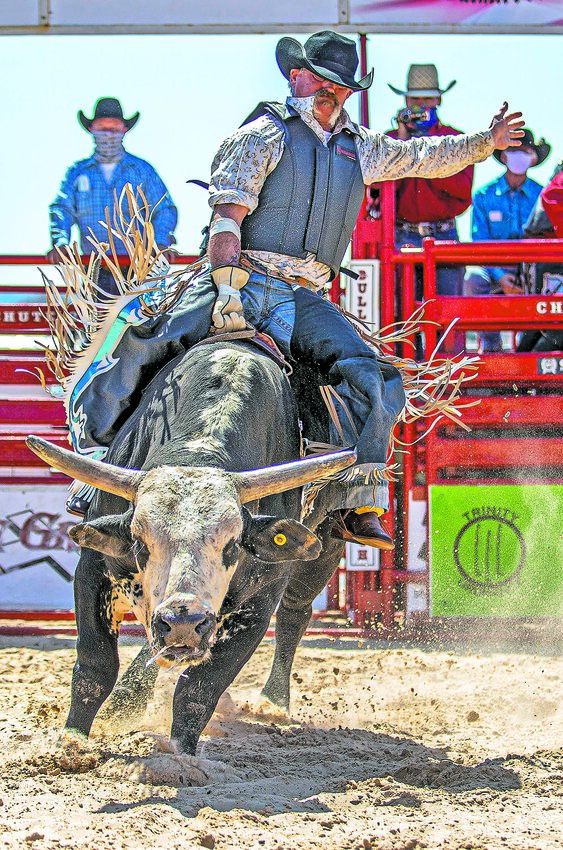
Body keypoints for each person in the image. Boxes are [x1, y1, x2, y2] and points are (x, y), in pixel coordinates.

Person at [64, 32, 524, 547]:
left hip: (304, 295)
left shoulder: (360, 147)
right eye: (324, 85)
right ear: (296, 76)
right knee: (143, 341)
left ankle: (356, 498)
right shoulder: (263, 134)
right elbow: (226, 220)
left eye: (341, 89)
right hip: (242, 275)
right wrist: (227, 288)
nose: (332, 97)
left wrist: (485, 143)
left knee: (373, 376)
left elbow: (422, 155)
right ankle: (93, 471)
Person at [47, 97, 177, 293]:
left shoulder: (142, 171)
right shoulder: (78, 172)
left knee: (138, 321)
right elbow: (62, 209)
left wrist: (159, 242)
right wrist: (61, 242)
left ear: (124, 130)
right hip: (93, 270)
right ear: (92, 130)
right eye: (102, 128)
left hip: (138, 271)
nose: (108, 134)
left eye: (114, 129)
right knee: (96, 322)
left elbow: (164, 209)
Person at [386, 64, 473, 316]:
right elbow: (382, 190)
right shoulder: (390, 141)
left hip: (443, 234)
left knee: (446, 315)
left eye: (426, 98)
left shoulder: (456, 140)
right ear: (405, 101)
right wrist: (402, 141)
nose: (421, 105)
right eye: (415, 99)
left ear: (438, 99)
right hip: (402, 235)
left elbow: (462, 193)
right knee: (401, 318)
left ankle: (449, 358)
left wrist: (426, 151)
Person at [464, 128, 551, 353]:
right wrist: (501, 277)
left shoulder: (543, 196)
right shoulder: (484, 195)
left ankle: (530, 349)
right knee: (473, 280)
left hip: (532, 269)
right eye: (514, 150)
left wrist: (528, 273)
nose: (518, 155)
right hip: (495, 269)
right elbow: (480, 241)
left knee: (549, 284)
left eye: (524, 151)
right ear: (504, 155)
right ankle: (492, 346)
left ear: (532, 158)